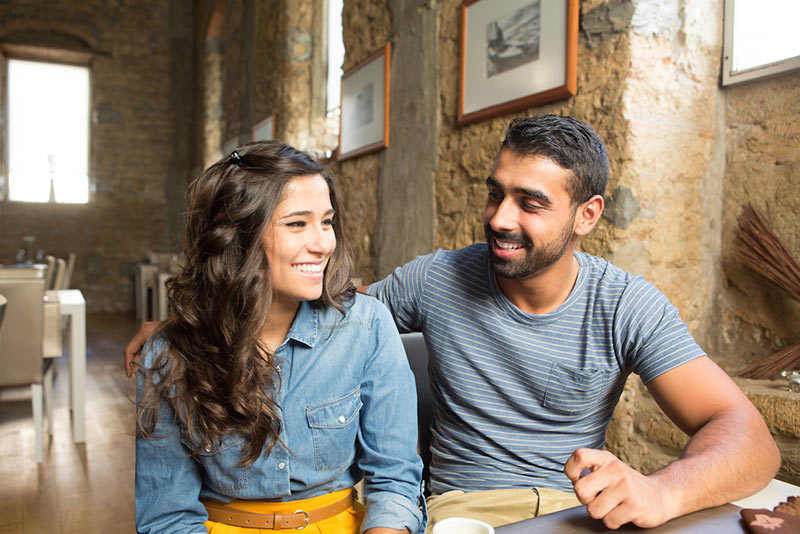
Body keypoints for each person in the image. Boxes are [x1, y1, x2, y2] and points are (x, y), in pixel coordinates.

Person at [127, 117, 780, 531]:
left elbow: (750, 441)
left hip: (573, 513)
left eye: (530, 203)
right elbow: (317, 311)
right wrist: (185, 330)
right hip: (463, 515)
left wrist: (663, 491)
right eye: (495, 193)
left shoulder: (627, 304)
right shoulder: (434, 280)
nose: (499, 218)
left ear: (588, 215)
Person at [134, 141, 425, 534]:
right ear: (238, 237)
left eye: (327, 221)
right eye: (296, 224)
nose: (323, 243)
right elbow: (166, 517)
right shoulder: (168, 355)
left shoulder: (366, 326)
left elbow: (394, 481)